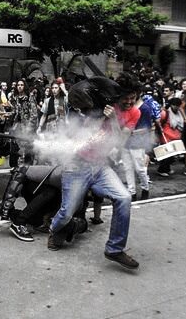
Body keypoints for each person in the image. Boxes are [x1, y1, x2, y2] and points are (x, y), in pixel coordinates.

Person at [47, 76, 139, 269]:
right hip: (76, 166)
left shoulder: (132, 113)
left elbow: (120, 142)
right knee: (66, 213)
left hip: (100, 167)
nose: (130, 102)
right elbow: (76, 126)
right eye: (127, 98)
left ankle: (114, 249)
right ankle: (53, 230)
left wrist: (113, 119)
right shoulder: (97, 103)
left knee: (124, 197)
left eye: (134, 98)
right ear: (117, 94)